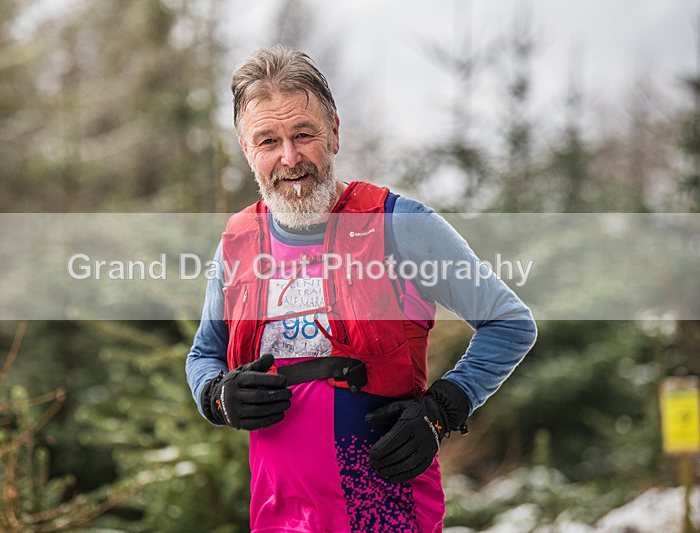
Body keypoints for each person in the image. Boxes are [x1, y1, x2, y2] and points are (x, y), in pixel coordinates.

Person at [186, 45, 537, 533]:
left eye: (303, 134)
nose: (289, 158)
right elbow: (204, 354)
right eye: (268, 140)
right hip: (279, 517)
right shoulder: (238, 244)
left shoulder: (398, 224)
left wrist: (442, 408)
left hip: (385, 514)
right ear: (247, 149)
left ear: (334, 131)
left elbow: (509, 323)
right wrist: (216, 395)